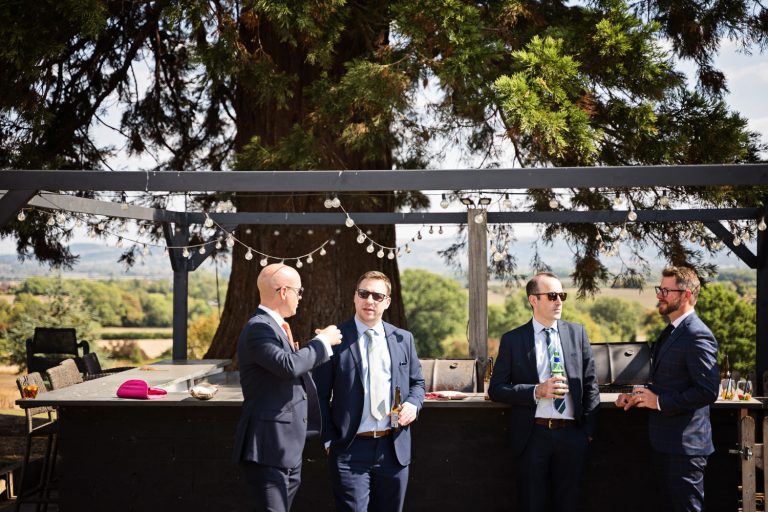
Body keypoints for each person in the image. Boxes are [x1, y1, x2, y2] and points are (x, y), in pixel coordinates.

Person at [232, 263, 343, 512]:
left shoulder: (275, 327)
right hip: (268, 448)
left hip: (287, 449)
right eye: (299, 291)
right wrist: (322, 342)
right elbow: (288, 366)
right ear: (284, 292)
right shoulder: (258, 328)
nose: (300, 297)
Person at [314, 271, 425, 512]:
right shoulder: (334, 339)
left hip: (393, 449)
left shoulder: (403, 339)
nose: (369, 301)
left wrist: (413, 405)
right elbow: (319, 395)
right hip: (349, 449)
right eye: (364, 294)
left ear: (387, 302)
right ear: (355, 297)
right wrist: (329, 440)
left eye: (377, 296)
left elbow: (418, 384)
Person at [489, 271, 599, 512]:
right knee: (532, 504)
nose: (559, 301)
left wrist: (586, 433)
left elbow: (591, 384)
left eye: (562, 295)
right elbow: (496, 389)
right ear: (533, 300)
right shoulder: (513, 339)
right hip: (533, 436)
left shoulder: (577, 333)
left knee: (568, 504)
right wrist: (536, 391)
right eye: (552, 296)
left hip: (572, 435)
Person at [615, 266, 718, 512]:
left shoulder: (697, 335)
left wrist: (658, 402)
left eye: (666, 290)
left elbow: (707, 391)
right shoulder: (672, 330)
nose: (660, 295)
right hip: (664, 445)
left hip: (685, 450)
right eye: (659, 289)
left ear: (686, 295)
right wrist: (637, 395)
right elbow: (666, 381)